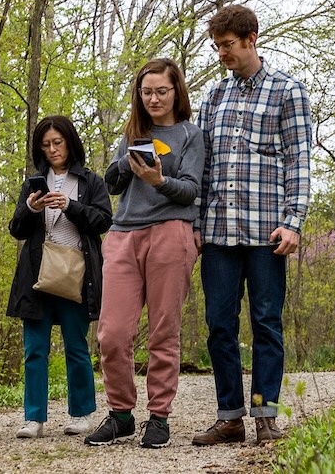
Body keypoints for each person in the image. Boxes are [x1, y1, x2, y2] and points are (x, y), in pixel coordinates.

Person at [192, 4, 312, 446]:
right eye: (217, 46)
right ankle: (229, 418)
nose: (222, 53)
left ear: (251, 39)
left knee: (266, 323)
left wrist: (293, 222)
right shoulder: (213, 97)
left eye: (228, 45)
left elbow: (299, 161)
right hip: (218, 233)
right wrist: (196, 223)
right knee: (219, 325)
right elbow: (202, 167)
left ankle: (265, 417)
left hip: (267, 234)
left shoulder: (288, 91)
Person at [84, 58, 204, 449]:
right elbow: (112, 184)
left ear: (175, 92)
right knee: (112, 334)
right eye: (147, 91)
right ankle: (121, 414)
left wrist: (160, 180)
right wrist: (126, 161)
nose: (153, 98)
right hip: (123, 234)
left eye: (161, 91)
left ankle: (159, 417)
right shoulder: (133, 131)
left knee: (163, 332)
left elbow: (191, 190)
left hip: (171, 233)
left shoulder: (190, 135)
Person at [6, 116, 112, 439]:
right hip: (37, 275)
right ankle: (33, 418)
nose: (52, 150)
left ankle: (82, 413)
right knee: (34, 349)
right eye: (45, 145)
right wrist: (31, 208)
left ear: (70, 142)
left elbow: (103, 221)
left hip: (76, 274)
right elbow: (16, 230)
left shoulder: (90, 181)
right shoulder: (34, 183)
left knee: (76, 347)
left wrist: (71, 206)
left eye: (57, 142)